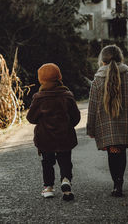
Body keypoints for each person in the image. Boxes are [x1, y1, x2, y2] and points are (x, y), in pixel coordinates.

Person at [87, 45, 128, 197]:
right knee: (121, 151)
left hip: (105, 125)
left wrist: (90, 129)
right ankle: (119, 182)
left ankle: (116, 183)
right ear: (120, 59)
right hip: (125, 124)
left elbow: (92, 107)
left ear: (102, 61)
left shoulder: (97, 80)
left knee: (113, 153)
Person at [26, 63, 81, 201]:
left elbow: (31, 118)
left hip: (45, 138)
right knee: (65, 161)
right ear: (59, 77)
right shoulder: (67, 95)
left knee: (47, 162)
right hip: (65, 136)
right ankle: (66, 181)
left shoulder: (39, 98)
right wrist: (68, 126)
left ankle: (48, 187)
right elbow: (76, 117)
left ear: (41, 80)